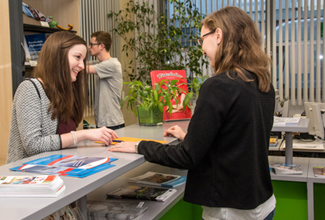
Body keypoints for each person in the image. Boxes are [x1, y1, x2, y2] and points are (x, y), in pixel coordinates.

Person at [109, 6, 276, 220]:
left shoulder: (219, 86)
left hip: (230, 210)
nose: (201, 49)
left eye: (201, 39)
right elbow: (239, 142)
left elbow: (187, 156)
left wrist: (138, 146)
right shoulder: (262, 83)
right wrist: (190, 137)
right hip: (263, 204)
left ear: (218, 35)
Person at [6, 31, 118, 164]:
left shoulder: (66, 92)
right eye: (77, 57)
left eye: (83, 60)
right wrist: (84, 134)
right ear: (58, 56)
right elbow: (33, 146)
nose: (82, 66)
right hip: (29, 178)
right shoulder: (29, 89)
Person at [87, 31, 125, 130]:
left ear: (101, 46)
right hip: (103, 123)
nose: (89, 47)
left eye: (91, 44)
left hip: (113, 124)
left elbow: (85, 69)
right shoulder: (101, 65)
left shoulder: (112, 64)